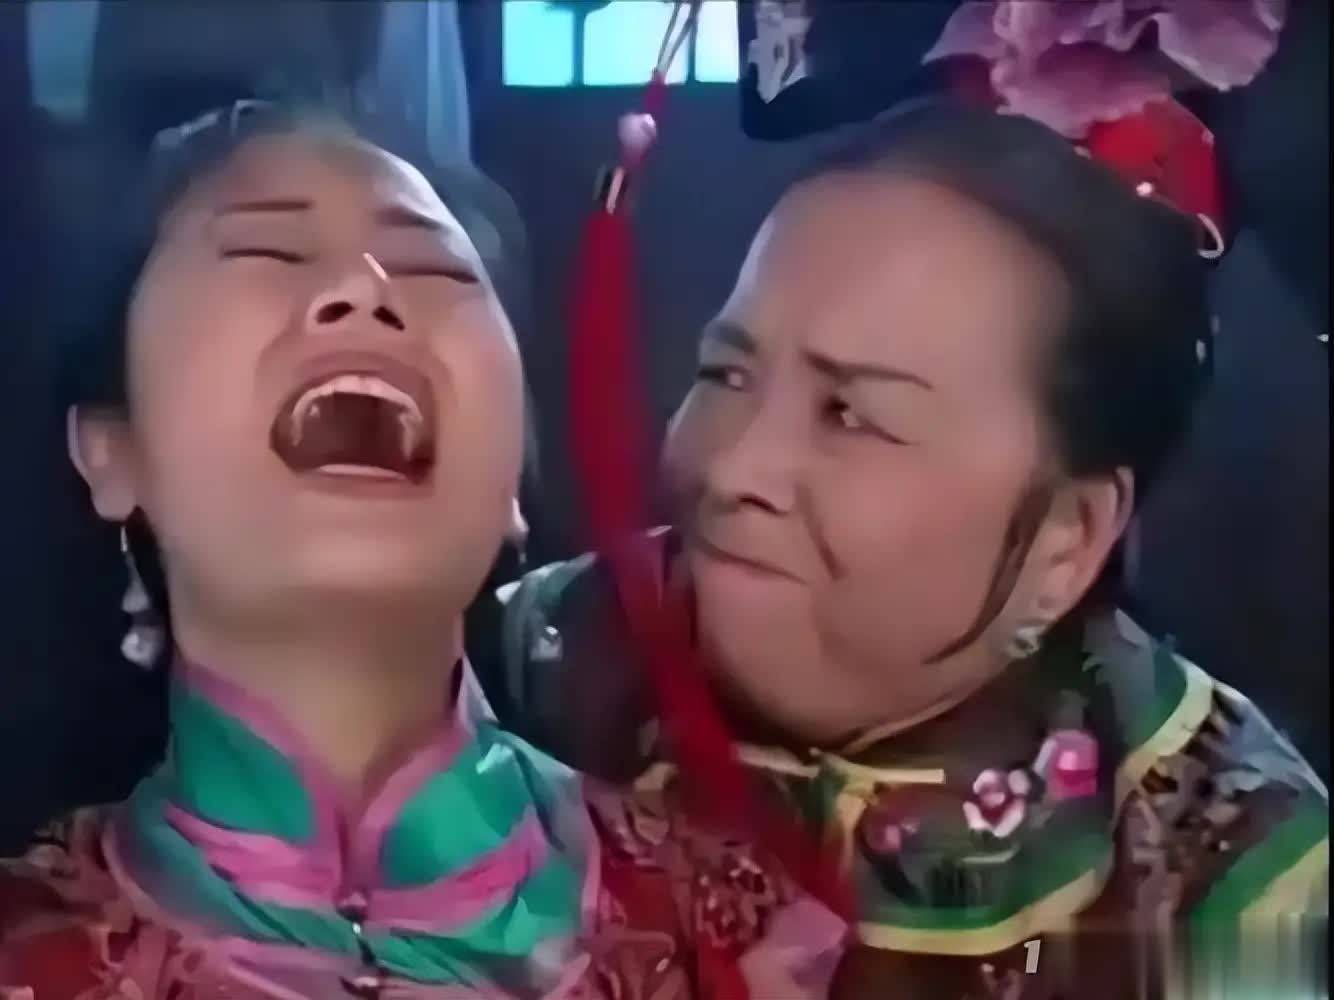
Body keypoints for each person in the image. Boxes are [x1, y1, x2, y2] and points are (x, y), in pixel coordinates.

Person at [481, 103, 1328, 999]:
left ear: (1068, 536)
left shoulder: (1233, 876)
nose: (733, 469)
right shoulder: (523, 662)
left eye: (852, 415)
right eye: (727, 374)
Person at [0, 101, 599, 999]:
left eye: (432, 266)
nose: (365, 287)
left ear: (512, 471)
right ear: (112, 450)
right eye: (268, 252)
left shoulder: (748, 928)